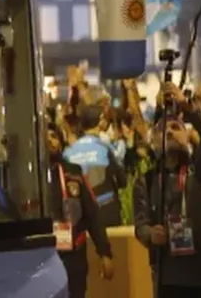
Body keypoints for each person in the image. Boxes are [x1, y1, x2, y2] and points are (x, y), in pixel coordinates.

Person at [134, 88, 201, 297]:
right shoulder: (146, 180)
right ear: (154, 141)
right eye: (163, 129)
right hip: (168, 279)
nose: (170, 132)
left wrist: (187, 107)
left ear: (188, 136)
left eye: (175, 127)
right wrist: (150, 235)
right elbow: (140, 225)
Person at [48, 124, 116, 298]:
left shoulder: (74, 172)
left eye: (53, 136)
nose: (49, 140)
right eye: (44, 136)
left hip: (74, 256)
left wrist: (104, 252)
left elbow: (93, 214)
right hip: (45, 258)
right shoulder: (32, 178)